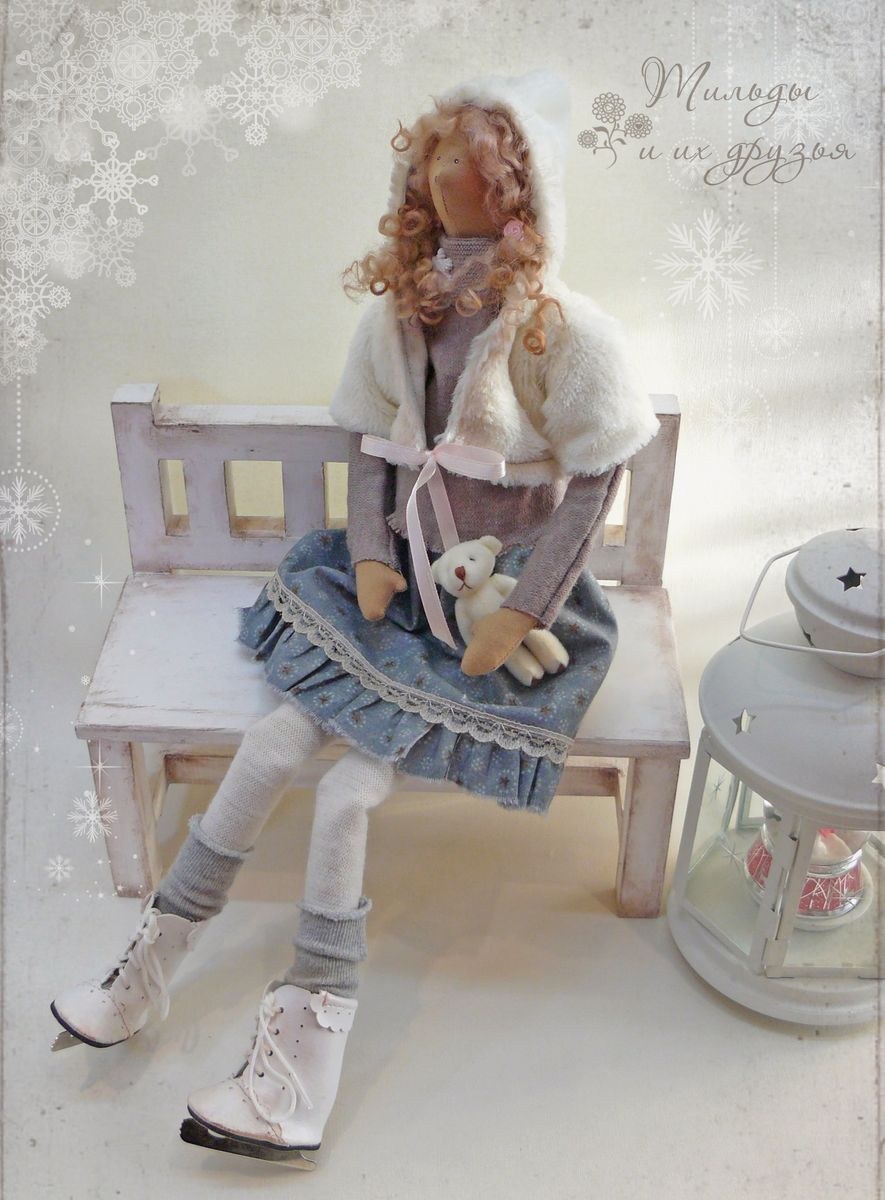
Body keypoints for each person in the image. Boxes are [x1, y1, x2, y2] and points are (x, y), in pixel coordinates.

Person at [50, 67, 659, 1168]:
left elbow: (597, 476)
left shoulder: (555, 329)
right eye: (435, 156)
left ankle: (301, 1070)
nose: (448, 170)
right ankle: (151, 969)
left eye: (474, 156)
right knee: (269, 742)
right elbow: (369, 449)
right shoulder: (400, 315)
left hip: (495, 618)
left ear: (520, 185)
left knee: (341, 795)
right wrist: (372, 554)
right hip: (402, 586)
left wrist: (523, 606)